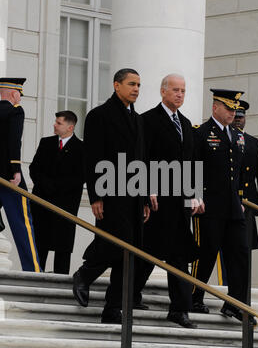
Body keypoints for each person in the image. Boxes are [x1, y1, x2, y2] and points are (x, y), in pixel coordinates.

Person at [72, 68, 150, 324]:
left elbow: (142, 162)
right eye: (131, 84)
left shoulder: (138, 120)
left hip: (134, 195)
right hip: (110, 191)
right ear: (117, 85)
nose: (136, 89)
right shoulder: (99, 115)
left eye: (138, 84)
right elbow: (92, 157)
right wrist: (96, 195)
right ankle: (85, 275)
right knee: (114, 243)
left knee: (130, 252)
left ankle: (113, 307)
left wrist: (145, 199)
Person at [134, 74, 203, 329]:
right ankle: (130, 295)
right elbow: (141, 157)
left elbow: (192, 162)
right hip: (156, 201)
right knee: (147, 252)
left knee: (179, 255)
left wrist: (195, 194)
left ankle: (180, 309)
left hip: (179, 203)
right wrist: (145, 189)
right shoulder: (148, 120)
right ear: (163, 92)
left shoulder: (185, 124)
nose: (180, 94)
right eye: (175, 90)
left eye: (183, 90)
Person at [191, 89, 249, 322]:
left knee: (240, 254)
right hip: (209, 205)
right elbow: (192, 166)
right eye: (228, 108)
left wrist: (240, 199)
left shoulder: (237, 135)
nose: (232, 112)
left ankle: (235, 303)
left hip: (233, 206)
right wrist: (193, 196)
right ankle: (194, 297)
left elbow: (238, 171)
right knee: (205, 253)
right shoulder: (201, 133)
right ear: (215, 108)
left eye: (234, 109)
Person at [216, 100, 258, 286]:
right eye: (235, 117)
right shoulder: (225, 139)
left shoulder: (254, 143)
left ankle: (241, 289)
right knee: (225, 247)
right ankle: (226, 286)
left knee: (243, 249)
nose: (238, 120)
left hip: (247, 205)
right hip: (229, 202)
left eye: (241, 117)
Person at [29, 111, 85, 274]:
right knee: (40, 245)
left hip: (65, 206)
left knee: (63, 248)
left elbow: (80, 177)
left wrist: (56, 187)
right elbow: (34, 169)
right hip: (42, 203)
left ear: (70, 127)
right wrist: (47, 185)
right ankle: (36, 278)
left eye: (59, 123)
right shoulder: (46, 143)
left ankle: (62, 282)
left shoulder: (81, 148)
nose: (54, 125)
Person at [0, 78, 42, 272]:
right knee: (22, 224)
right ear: (14, 94)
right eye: (20, 95)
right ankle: (33, 269)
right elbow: (14, 141)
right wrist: (16, 170)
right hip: (8, 177)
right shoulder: (15, 110)